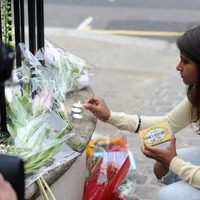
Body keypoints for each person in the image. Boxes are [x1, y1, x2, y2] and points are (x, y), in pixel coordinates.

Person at [84, 25, 200, 200]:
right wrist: (110, 116)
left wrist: (174, 162)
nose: (178, 67)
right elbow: (165, 125)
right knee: (162, 168)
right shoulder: (197, 93)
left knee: (169, 195)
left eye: (185, 61)